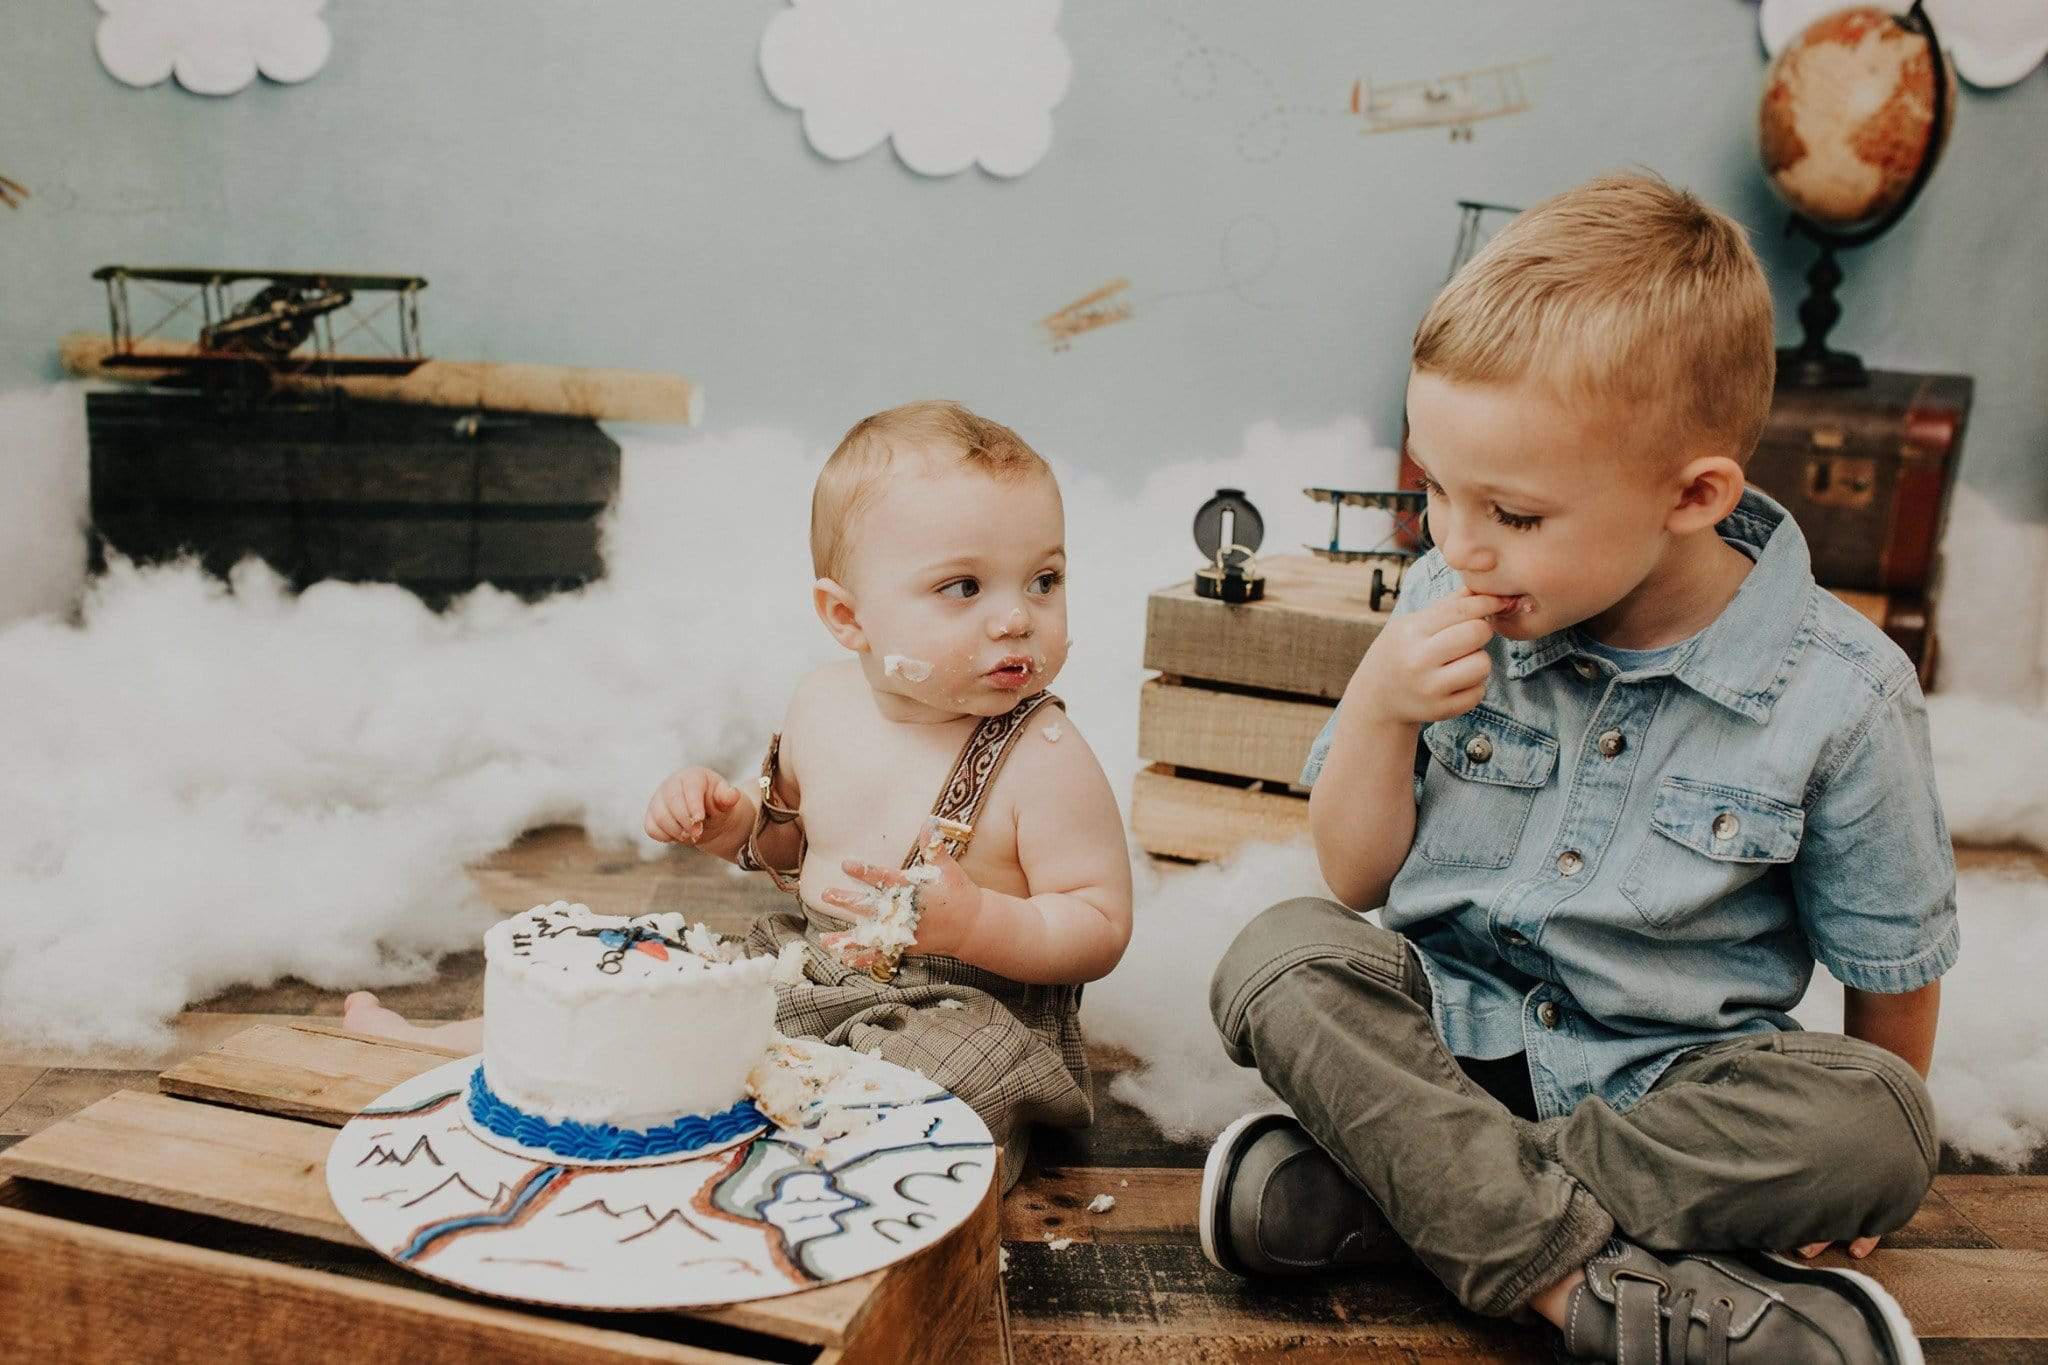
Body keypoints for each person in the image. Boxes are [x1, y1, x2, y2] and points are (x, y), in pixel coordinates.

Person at [1199, 173, 1955, 1364]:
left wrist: (1856, 1169)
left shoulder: (1841, 693)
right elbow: (1352, 875)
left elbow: (1890, 961)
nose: (1454, 540)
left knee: (1884, 1132)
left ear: (1691, 496)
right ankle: (1578, 1293)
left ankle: (1393, 1195)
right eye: (1433, 489)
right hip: (1444, 1048)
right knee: (1276, 953)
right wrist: (1378, 703)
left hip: (1674, 1093)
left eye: (1510, 511)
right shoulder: (1447, 595)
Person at [352, 400, 1133, 1193]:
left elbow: (1099, 925)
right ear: (846, 616)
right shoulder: (822, 707)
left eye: (1045, 580)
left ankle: (834, 1180)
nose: (1016, 617)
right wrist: (733, 824)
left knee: (932, 1083)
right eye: (964, 586)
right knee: (659, 997)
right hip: (815, 956)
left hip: (967, 999)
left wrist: (982, 922)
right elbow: (790, 845)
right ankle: (474, 1044)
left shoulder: (1044, 757)